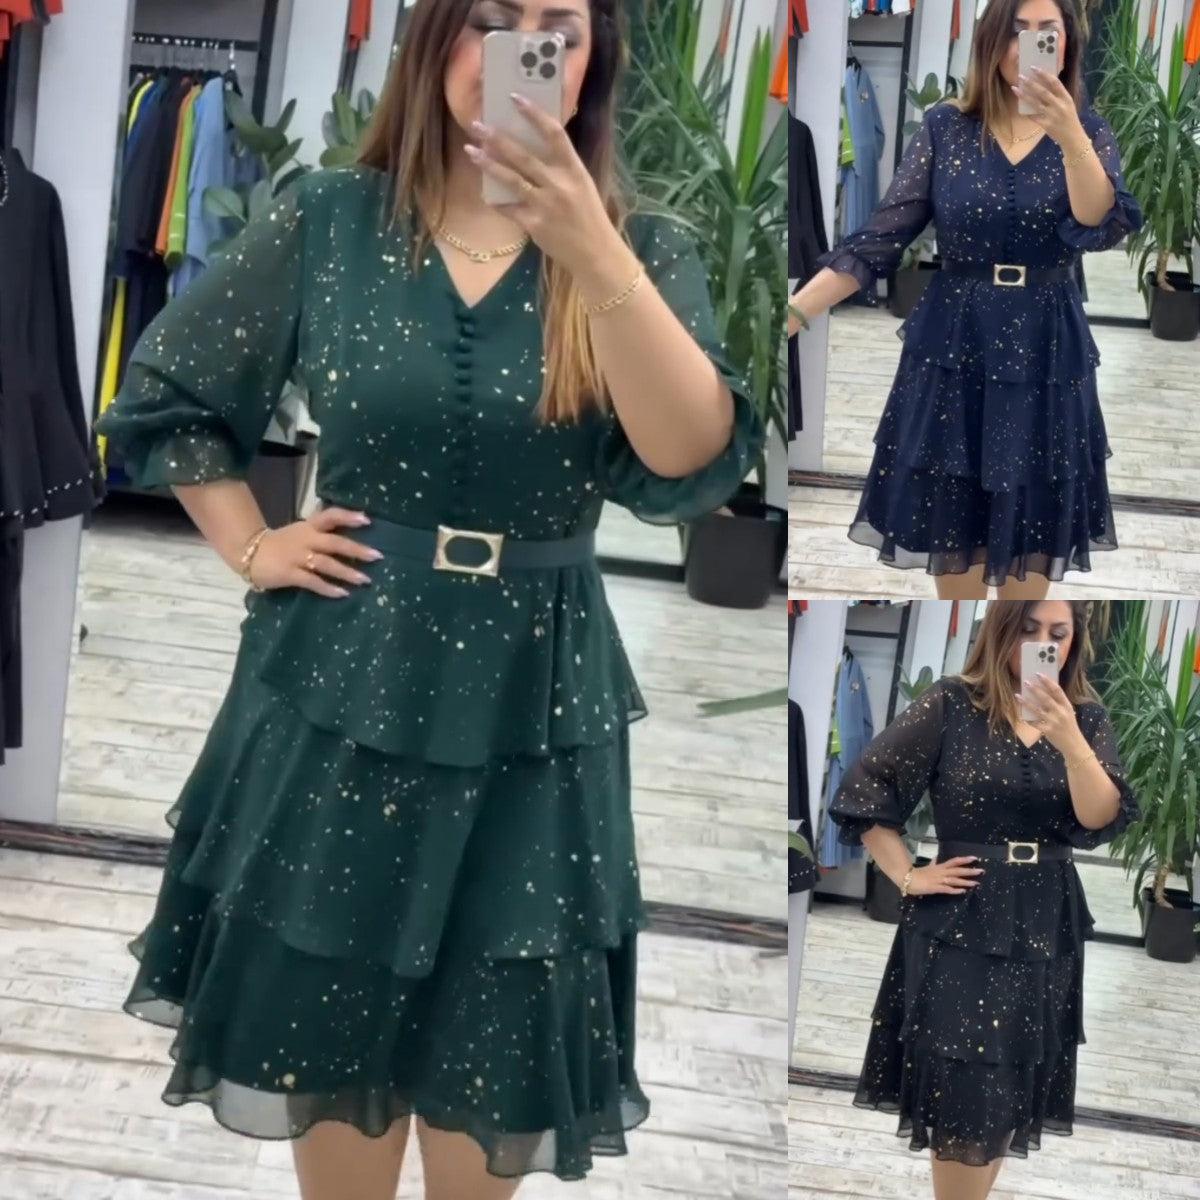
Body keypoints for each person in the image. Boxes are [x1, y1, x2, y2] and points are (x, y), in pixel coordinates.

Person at [93, 2, 763, 1197]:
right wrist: (253, 545)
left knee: (492, 1055)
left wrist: (593, 253)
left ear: (593, 58)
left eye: (557, 25)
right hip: (345, 687)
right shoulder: (333, 220)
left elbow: (686, 463)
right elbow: (172, 391)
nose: (522, 49)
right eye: (490, 19)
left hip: (533, 711)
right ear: (434, 38)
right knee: (334, 1041)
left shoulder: (639, 252)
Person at [788, 0, 1143, 600]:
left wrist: (1069, 135)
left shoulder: (1089, 131)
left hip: (1045, 353)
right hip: (955, 348)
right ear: (991, 41)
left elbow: (1099, 223)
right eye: (1017, 31)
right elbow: (879, 240)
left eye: (1048, 31)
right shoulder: (945, 127)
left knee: (1029, 567)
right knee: (952, 549)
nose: (1030, 45)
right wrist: (793, 313)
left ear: (1068, 43)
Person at [826, 600, 1138, 1200]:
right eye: (1029, 630)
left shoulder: (1086, 719)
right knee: (966, 1093)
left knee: (1008, 1090)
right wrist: (907, 875)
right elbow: (867, 785)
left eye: (1059, 633)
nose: (1044, 643)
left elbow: (1100, 817)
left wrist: (1070, 740)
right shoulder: (952, 703)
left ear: (1074, 642)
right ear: (1000, 632)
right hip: (961, 919)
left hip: (1045, 923)